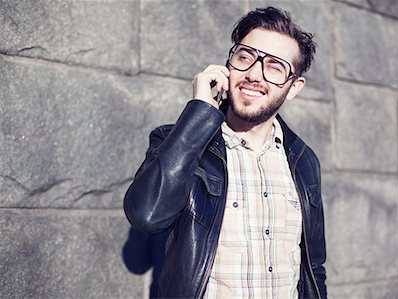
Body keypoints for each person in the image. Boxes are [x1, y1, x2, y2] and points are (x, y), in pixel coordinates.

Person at [124, 6, 327, 299]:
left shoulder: (303, 161)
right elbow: (146, 215)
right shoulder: (178, 140)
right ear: (228, 65)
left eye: (274, 66)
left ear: (293, 87)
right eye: (245, 57)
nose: (254, 74)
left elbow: (313, 267)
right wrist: (198, 114)